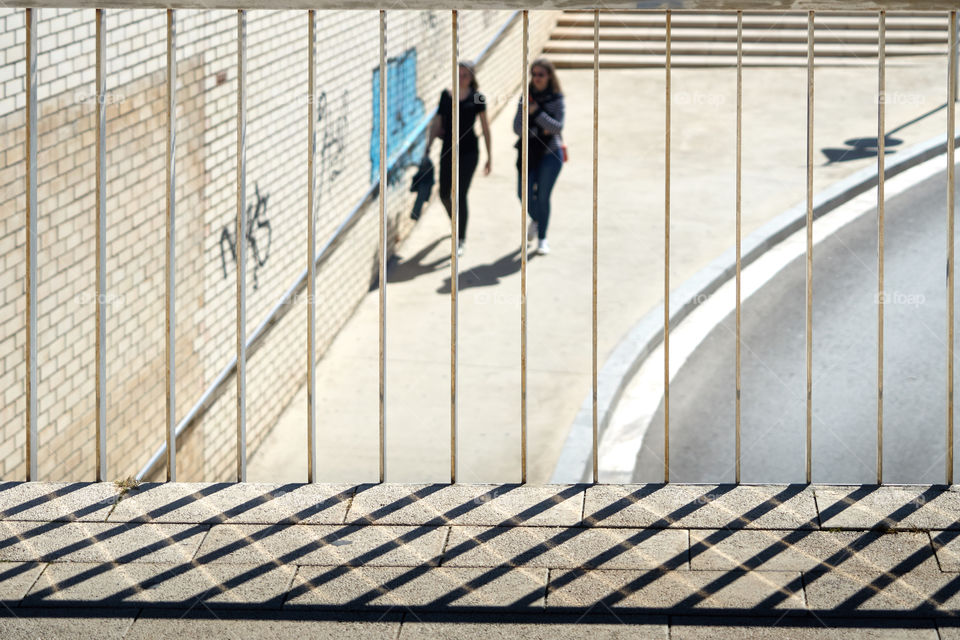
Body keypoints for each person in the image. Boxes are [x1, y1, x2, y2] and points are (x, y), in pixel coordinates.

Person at [424, 61, 492, 257]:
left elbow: (485, 127)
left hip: (470, 151)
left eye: (465, 75)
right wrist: (428, 147)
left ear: (472, 77)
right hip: (447, 150)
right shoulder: (446, 96)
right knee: (445, 193)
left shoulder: (477, 98)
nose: (461, 78)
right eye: (459, 74)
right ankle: (456, 221)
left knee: (460, 194)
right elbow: (437, 122)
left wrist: (489, 156)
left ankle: (460, 237)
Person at [513, 58, 564, 256]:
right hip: (527, 154)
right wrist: (539, 130)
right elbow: (517, 127)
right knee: (522, 194)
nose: (536, 78)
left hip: (550, 155)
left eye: (541, 75)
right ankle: (536, 219)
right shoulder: (526, 98)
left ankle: (542, 237)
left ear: (549, 76)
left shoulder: (556, 99)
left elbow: (557, 127)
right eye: (534, 74)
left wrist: (536, 114)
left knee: (543, 197)